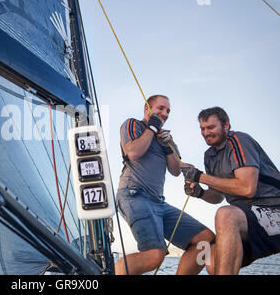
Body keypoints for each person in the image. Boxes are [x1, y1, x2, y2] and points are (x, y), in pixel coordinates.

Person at [115, 95, 214, 275]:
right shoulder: (133, 124)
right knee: (154, 255)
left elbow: (175, 170)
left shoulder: (166, 138)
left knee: (205, 240)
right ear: (147, 109)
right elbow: (133, 152)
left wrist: (168, 146)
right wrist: (152, 127)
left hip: (158, 202)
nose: (165, 113)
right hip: (133, 195)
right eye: (160, 108)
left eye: (168, 111)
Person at [181, 106, 280, 275]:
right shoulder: (209, 156)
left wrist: (199, 176)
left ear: (226, 125)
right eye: (202, 129)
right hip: (249, 217)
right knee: (211, 257)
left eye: (211, 127)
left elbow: (247, 188)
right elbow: (218, 196)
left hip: (274, 210)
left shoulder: (239, 140)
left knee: (225, 214)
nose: (206, 133)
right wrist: (200, 192)